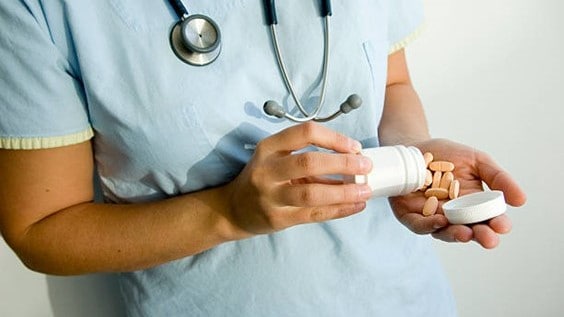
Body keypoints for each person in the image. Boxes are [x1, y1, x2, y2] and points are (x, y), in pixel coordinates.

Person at [0, 0, 526, 316]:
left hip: (402, 301)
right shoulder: (38, 10)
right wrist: (226, 213)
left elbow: (392, 82)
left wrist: (413, 163)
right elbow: (41, 230)